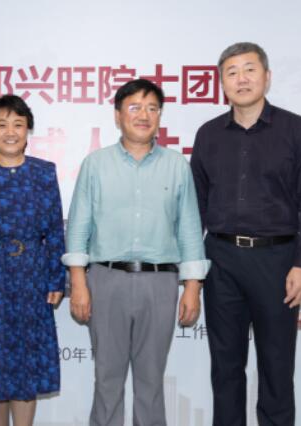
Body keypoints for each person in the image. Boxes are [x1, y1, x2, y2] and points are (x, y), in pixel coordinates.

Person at [190, 42, 301, 426]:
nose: (242, 79)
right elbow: (194, 209)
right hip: (221, 260)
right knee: (226, 368)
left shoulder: (297, 130)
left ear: (267, 77)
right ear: (222, 84)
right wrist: (193, 271)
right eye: (232, 72)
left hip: (278, 261)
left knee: (277, 367)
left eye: (250, 69)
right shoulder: (208, 135)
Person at [64, 79, 209, 426]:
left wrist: (192, 287)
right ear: (118, 116)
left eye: (152, 108)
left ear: (159, 116)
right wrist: (79, 283)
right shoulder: (95, 164)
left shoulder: (176, 165)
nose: (144, 115)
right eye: (134, 107)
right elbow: (78, 227)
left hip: (160, 283)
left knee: (151, 382)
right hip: (106, 279)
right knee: (107, 378)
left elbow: (189, 229)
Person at [0, 94, 65, 426]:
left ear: (28, 130)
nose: (10, 132)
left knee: (26, 362)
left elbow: (55, 230)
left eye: (18, 124)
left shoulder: (44, 172)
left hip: (33, 277)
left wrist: (56, 279)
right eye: (2, 125)